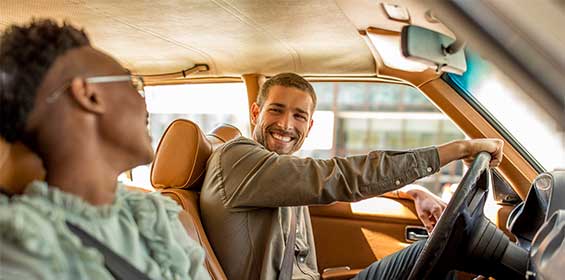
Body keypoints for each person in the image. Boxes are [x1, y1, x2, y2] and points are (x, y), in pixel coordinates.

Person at [200, 73, 503, 280]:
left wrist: (410, 192)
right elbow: (340, 176)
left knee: (438, 248)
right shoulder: (237, 157)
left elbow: (329, 183)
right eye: (276, 110)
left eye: (298, 116)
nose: (285, 125)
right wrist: (458, 149)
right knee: (445, 248)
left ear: (310, 125)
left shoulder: (278, 171)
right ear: (256, 113)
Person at [0, 19, 210, 280]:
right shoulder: (19, 247)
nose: (144, 103)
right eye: (132, 84)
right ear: (89, 96)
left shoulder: (155, 218)